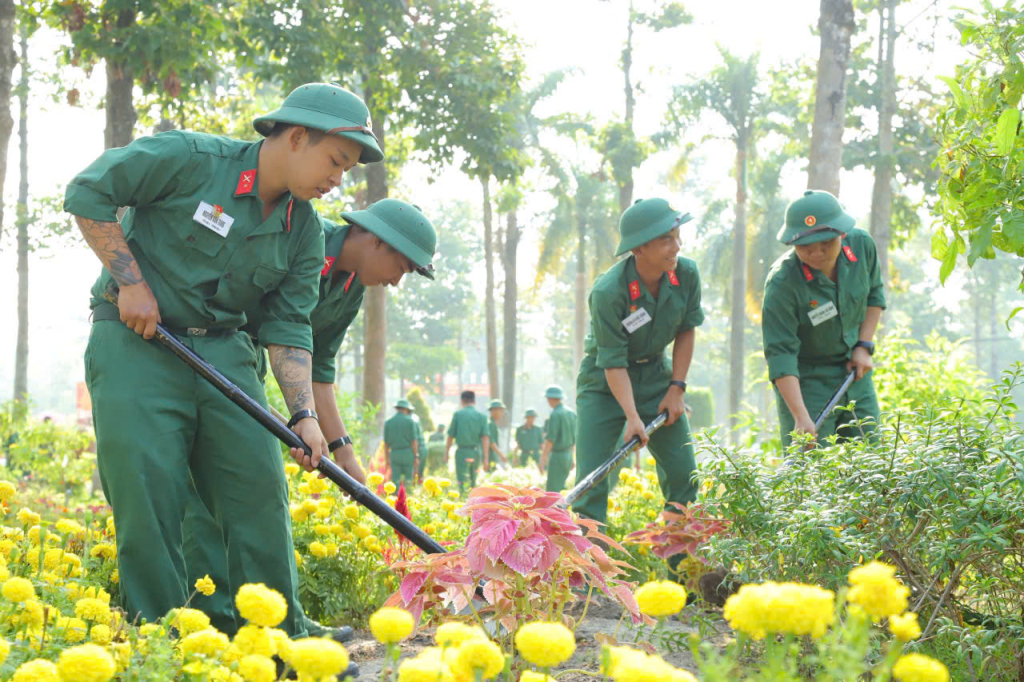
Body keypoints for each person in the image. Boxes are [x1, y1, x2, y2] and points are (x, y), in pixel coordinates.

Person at [67, 82, 384, 644]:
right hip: (137, 341)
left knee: (259, 489)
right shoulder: (188, 160)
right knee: (147, 493)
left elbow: (288, 328)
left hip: (222, 352)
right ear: (296, 136)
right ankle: (164, 644)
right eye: (336, 161)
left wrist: (303, 415)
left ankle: (279, 645)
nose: (338, 179)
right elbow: (88, 191)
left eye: (347, 170)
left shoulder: (304, 231)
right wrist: (130, 281)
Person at [182, 199, 437, 639]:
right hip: (208, 358)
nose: (398, 281)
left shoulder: (351, 285)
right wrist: (302, 416)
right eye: (403, 266)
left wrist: (345, 454)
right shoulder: (301, 237)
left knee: (259, 494)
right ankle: (217, 622)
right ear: (377, 240)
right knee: (221, 497)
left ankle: (281, 623)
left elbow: (319, 368)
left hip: (248, 371)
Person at [571, 198, 703, 582]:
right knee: (593, 479)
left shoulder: (686, 275)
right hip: (604, 386)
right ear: (639, 247)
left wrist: (676, 388)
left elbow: (686, 330)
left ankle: (686, 574)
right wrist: (632, 417)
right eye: (665, 239)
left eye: (677, 236)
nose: (676, 246)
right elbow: (612, 362)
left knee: (684, 474)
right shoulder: (609, 291)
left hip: (658, 380)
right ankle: (589, 580)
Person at [762, 190, 885, 447]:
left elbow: (874, 294)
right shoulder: (782, 283)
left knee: (874, 460)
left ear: (841, 233)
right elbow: (780, 356)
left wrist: (864, 346)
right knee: (809, 470)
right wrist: (800, 416)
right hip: (806, 384)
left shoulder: (862, 247)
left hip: (854, 374)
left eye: (826, 243)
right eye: (805, 247)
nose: (816, 253)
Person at [445, 391, 489, 493]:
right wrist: (486, 459)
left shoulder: (458, 415)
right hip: (475, 453)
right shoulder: (482, 416)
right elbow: (485, 438)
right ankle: (473, 504)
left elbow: (450, 435)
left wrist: (446, 453)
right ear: (474, 401)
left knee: (462, 482)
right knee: (474, 482)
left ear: (462, 401)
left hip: (462, 453)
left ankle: (463, 501)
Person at [539, 385, 577, 492]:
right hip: (568, 455)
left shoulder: (555, 414)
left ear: (550, 399)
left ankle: (557, 509)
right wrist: (572, 458)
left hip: (557, 456)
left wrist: (543, 458)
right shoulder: (571, 413)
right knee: (562, 487)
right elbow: (574, 438)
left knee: (553, 490)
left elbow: (550, 439)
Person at [384, 400, 420, 486]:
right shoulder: (410, 421)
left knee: (395, 480)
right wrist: (416, 456)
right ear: (405, 409)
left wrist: (387, 459)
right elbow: (414, 441)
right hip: (407, 454)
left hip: (395, 453)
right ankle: (408, 497)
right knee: (408, 479)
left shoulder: (388, 422)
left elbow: (386, 444)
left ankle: (396, 497)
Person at [485, 399, 510, 469]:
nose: (502, 413)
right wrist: (502, 455)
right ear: (493, 411)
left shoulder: (494, 424)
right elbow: (492, 443)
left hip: (493, 455)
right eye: (500, 410)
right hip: (490, 455)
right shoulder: (491, 425)